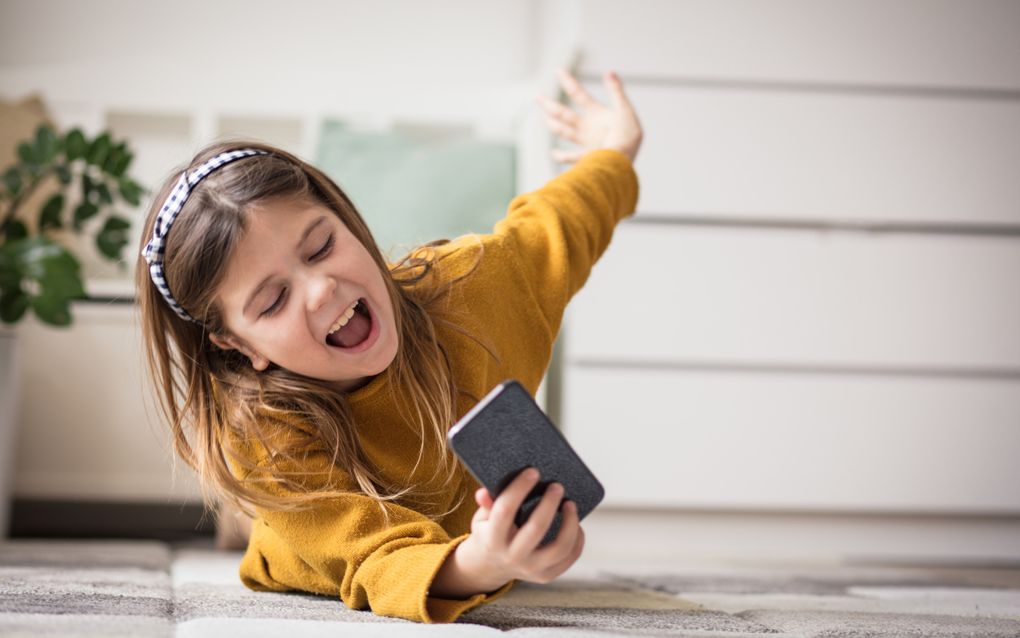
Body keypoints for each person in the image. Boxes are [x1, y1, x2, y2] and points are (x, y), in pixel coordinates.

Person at [136, 68, 642, 624]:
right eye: (274, 301)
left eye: (322, 246)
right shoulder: (263, 438)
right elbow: (377, 558)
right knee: (280, 523)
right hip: (313, 538)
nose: (321, 288)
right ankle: (245, 522)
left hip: (444, 521)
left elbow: (562, 221)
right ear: (236, 343)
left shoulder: (477, 285)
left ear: (347, 221)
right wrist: (483, 563)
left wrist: (613, 151)